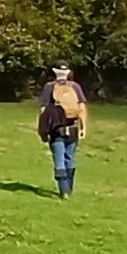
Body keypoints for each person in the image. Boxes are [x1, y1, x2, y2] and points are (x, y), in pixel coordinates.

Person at [38, 64, 90, 198]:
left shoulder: (49, 87)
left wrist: (42, 131)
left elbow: (43, 111)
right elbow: (82, 108)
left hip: (56, 129)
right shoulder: (75, 87)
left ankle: (64, 190)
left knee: (59, 159)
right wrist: (83, 127)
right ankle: (69, 188)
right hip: (73, 128)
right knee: (70, 158)